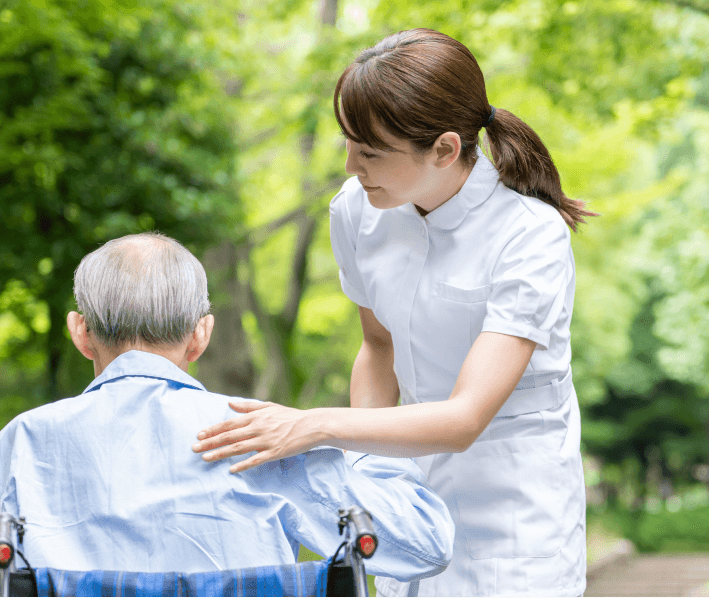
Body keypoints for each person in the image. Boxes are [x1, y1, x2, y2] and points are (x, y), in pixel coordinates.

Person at [191, 29, 597, 597]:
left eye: (372, 151)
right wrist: (367, 477)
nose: (353, 165)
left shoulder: (529, 235)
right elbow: (377, 346)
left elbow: (463, 419)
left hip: (515, 505)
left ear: (445, 149)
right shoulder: (358, 212)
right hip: (406, 493)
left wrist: (312, 426)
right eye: (349, 143)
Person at [0, 232, 454, 598]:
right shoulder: (263, 435)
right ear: (202, 334)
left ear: (80, 333)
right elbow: (425, 546)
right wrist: (353, 437)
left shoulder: (22, 443)